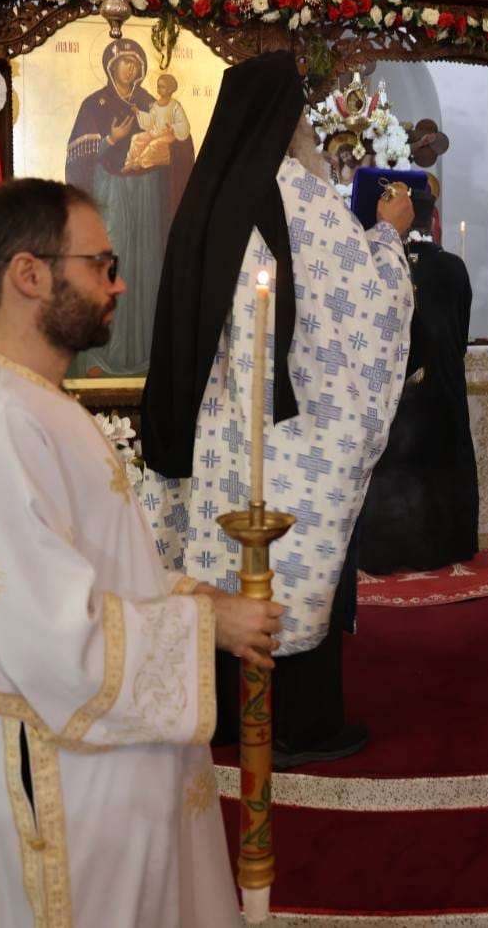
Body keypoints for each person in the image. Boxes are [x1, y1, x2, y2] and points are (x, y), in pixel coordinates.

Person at [0, 177, 285, 928]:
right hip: (64, 787)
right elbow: (42, 637)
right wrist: (209, 627)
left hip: (101, 771)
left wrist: (196, 596)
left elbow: (90, 569)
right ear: (29, 274)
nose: (118, 283)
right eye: (101, 264)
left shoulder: (29, 404)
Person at [141, 51, 416, 770]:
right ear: (287, 123)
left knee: (218, 558)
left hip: (211, 431)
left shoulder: (205, 196)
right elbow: (366, 307)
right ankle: (296, 724)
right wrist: (390, 234)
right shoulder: (298, 194)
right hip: (287, 435)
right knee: (285, 557)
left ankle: (219, 712)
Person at [355, 184, 479, 574]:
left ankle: (389, 549)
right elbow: (461, 335)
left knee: (400, 469)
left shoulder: (379, 264)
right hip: (444, 392)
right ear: (433, 219)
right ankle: (448, 544)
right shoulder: (454, 267)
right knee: (441, 465)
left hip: (399, 397)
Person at [65, 39, 192, 377]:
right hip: (111, 192)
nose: (130, 68)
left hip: (148, 192)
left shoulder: (151, 102)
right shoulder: (94, 104)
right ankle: (102, 356)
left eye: (135, 63)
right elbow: (77, 160)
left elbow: (180, 142)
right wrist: (112, 139)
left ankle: (148, 355)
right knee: (115, 262)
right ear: (111, 67)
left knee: (147, 266)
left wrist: (170, 143)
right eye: (124, 62)